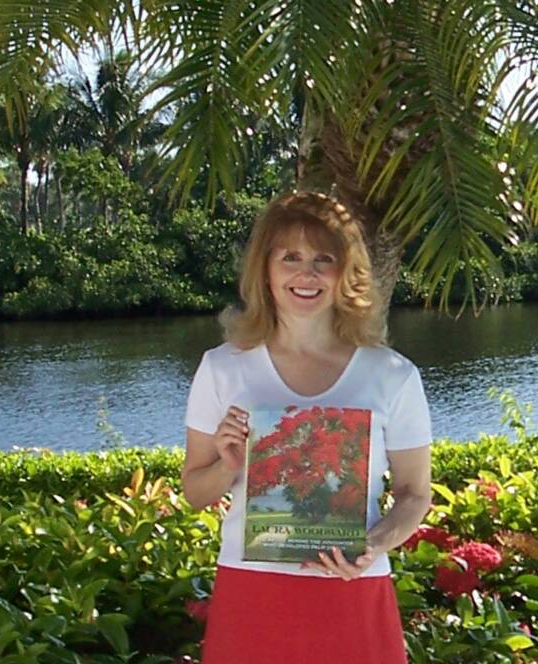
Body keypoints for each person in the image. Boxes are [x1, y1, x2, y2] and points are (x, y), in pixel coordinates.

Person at [182, 191, 433, 664]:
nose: (307, 274)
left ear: (346, 273)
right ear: (266, 270)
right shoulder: (221, 369)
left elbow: (416, 493)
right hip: (252, 592)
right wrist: (228, 465)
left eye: (324, 259)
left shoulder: (393, 374)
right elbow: (195, 491)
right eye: (290, 258)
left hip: (354, 592)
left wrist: (373, 545)